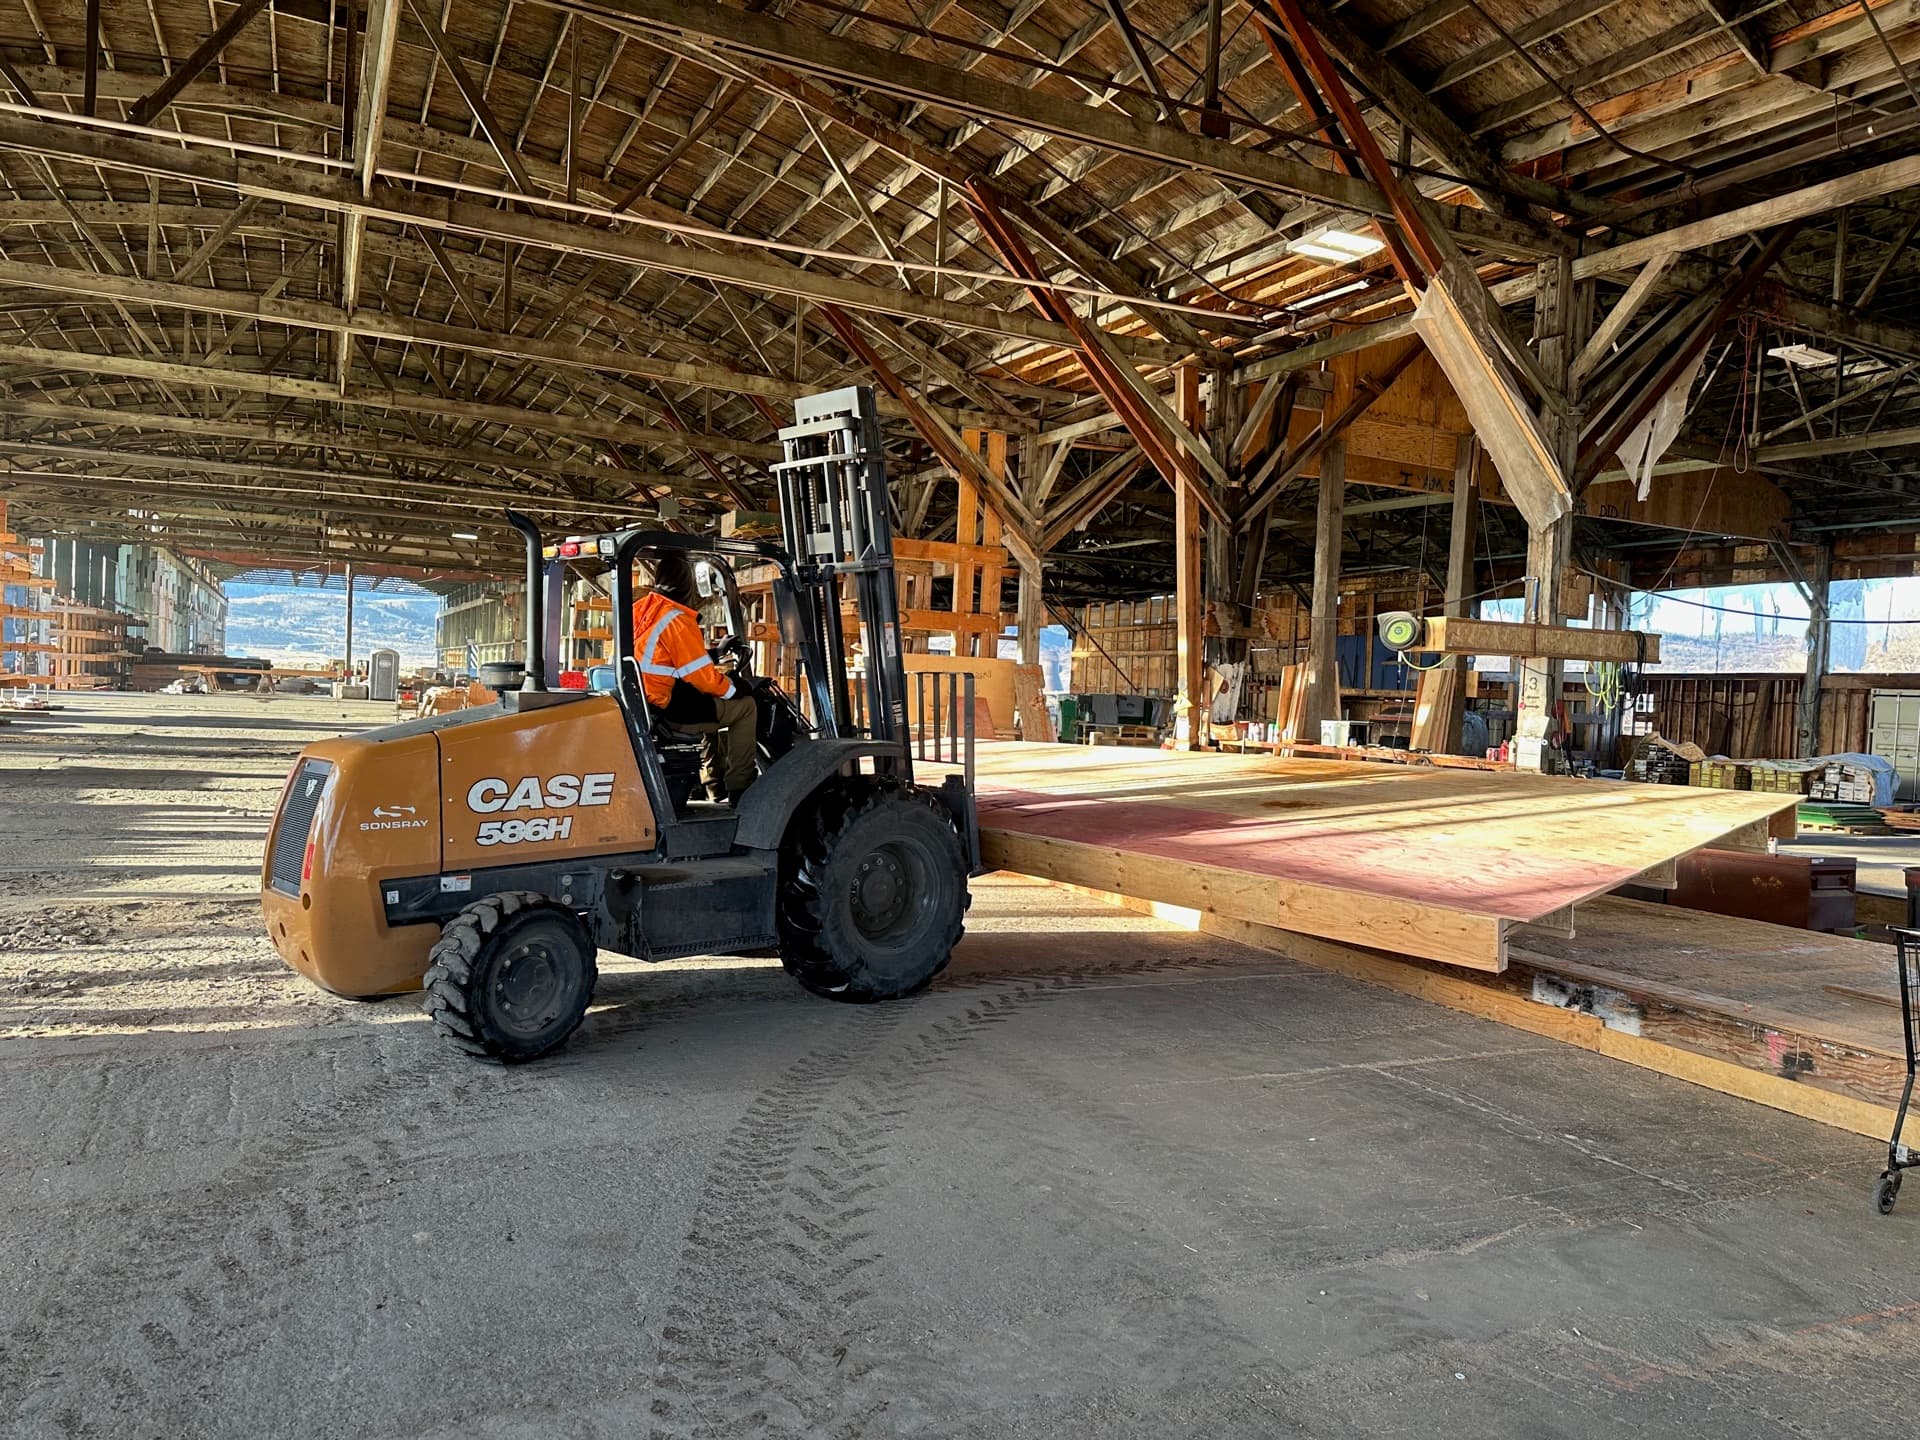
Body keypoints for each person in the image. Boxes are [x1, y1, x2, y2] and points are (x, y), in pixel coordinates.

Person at [631, 553, 760, 802]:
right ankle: (741, 788)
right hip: (666, 707)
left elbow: (671, 660)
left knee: (710, 707)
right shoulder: (677, 619)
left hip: (647, 700)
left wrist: (716, 652)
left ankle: (711, 783)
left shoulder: (643, 611)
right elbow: (702, 678)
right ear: (687, 583)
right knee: (745, 707)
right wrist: (736, 689)